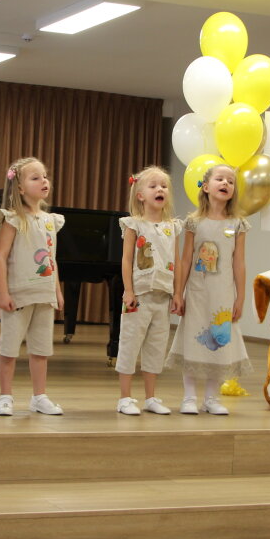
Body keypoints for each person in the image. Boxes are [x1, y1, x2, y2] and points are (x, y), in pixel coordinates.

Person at [167, 163, 251, 414]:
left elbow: (239, 263)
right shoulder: (194, 222)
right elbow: (185, 260)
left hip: (223, 295)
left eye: (231, 181)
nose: (226, 184)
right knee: (193, 340)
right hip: (197, 293)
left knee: (219, 341)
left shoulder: (238, 224)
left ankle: (211, 398)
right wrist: (178, 293)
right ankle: (189, 397)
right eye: (220, 179)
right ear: (205, 187)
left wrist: (240, 298)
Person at [0, 157, 65, 416]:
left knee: (41, 349)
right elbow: (0, 256)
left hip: (44, 294)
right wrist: (3, 292)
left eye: (44, 176)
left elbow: (51, 258)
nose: (44, 181)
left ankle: (39, 396)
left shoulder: (50, 220)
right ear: (20, 187)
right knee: (9, 349)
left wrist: (57, 291)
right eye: (35, 178)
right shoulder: (12, 218)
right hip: (19, 294)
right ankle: (5, 396)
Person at [115, 166, 183, 415]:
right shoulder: (134, 224)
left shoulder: (172, 227)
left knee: (156, 347)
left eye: (163, 186)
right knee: (130, 344)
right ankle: (124, 398)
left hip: (163, 296)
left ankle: (151, 398)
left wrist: (177, 293)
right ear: (140, 195)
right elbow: (126, 260)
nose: (160, 189)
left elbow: (176, 260)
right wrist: (128, 290)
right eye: (153, 186)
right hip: (140, 296)